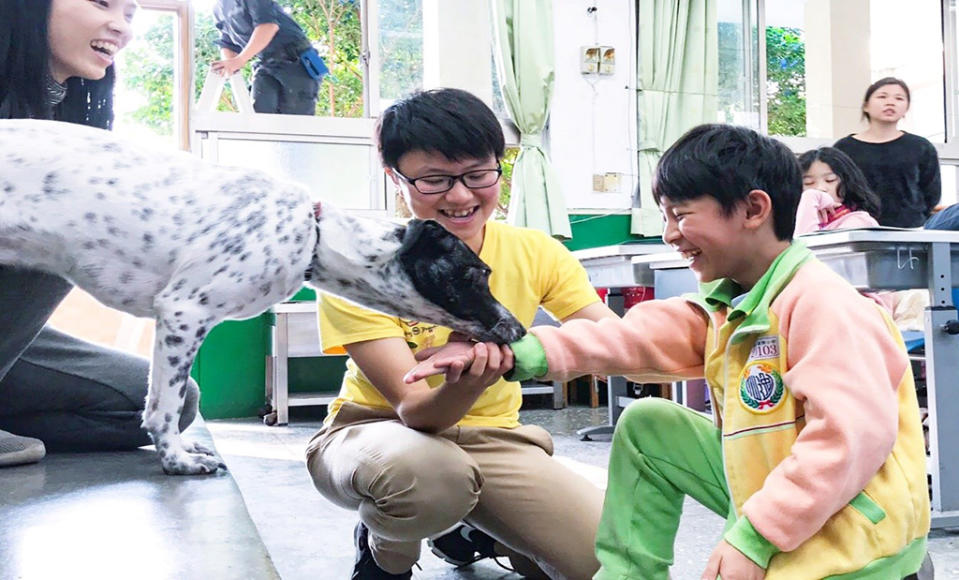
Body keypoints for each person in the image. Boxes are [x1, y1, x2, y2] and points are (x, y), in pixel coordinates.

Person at [409, 124, 931, 579]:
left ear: (753, 209)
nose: (670, 234)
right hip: (779, 492)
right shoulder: (729, 303)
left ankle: (891, 563)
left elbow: (849, 440)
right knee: (647, 424)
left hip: (848, 538)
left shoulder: (825, 306)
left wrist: (755, 537)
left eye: (681, 216)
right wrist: (521, 351)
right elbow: (629, 337)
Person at [304, 87, 618, 580]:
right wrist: (469, 379)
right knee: (427, 481)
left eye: (477, 174)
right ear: (395, 177)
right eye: (434, 180)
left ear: (500, 167)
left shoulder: (538, 252)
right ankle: (385, 551)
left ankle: (472, 529)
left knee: (607, 559)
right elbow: (416, 412)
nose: (460, 196)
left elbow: (614, 342)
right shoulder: (362, 265)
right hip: (381, 434)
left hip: (494, 441)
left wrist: (525, 351)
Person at [0, 0, 199, 466]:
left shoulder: (69, 116)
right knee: (66, 229)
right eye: (101, 3)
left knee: (169, 403)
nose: (121, 27)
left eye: (130, 14)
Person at [834, 77, 941, 228]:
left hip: (910, 230)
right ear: (866, 106)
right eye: (882, 96)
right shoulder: (844, 148)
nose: (890, 102)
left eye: (899, 98)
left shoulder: (920, 146)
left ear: (906, 108)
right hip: (857, 230)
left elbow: (931, 193)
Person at [212, 0, 324, 115]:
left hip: (295, 61)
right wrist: (229, 66)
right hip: (266, 64)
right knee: (260, 118)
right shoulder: (219, 9)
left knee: (295, 124)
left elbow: (268, 26)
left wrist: (239, 60)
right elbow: (227, 43)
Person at [794, 146, 880, 236]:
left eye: (830, 180)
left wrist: (810, 196)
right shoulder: (793, 223)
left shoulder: (859, 221)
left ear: (847, 182)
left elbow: (807, 247)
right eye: (809, 183)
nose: (820, 188)